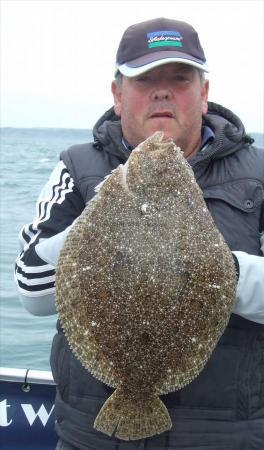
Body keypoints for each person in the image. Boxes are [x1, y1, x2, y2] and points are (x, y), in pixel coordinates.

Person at [14, 17, 264, 450]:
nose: (162, 91)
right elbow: (31, 293)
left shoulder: (258, 173)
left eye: (179, 79)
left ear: (204, 94)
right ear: (117, 95)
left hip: (227, 437)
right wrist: (91, 231)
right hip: (91, 436)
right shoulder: (77, 169)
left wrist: (215, 271)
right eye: (145, 79)